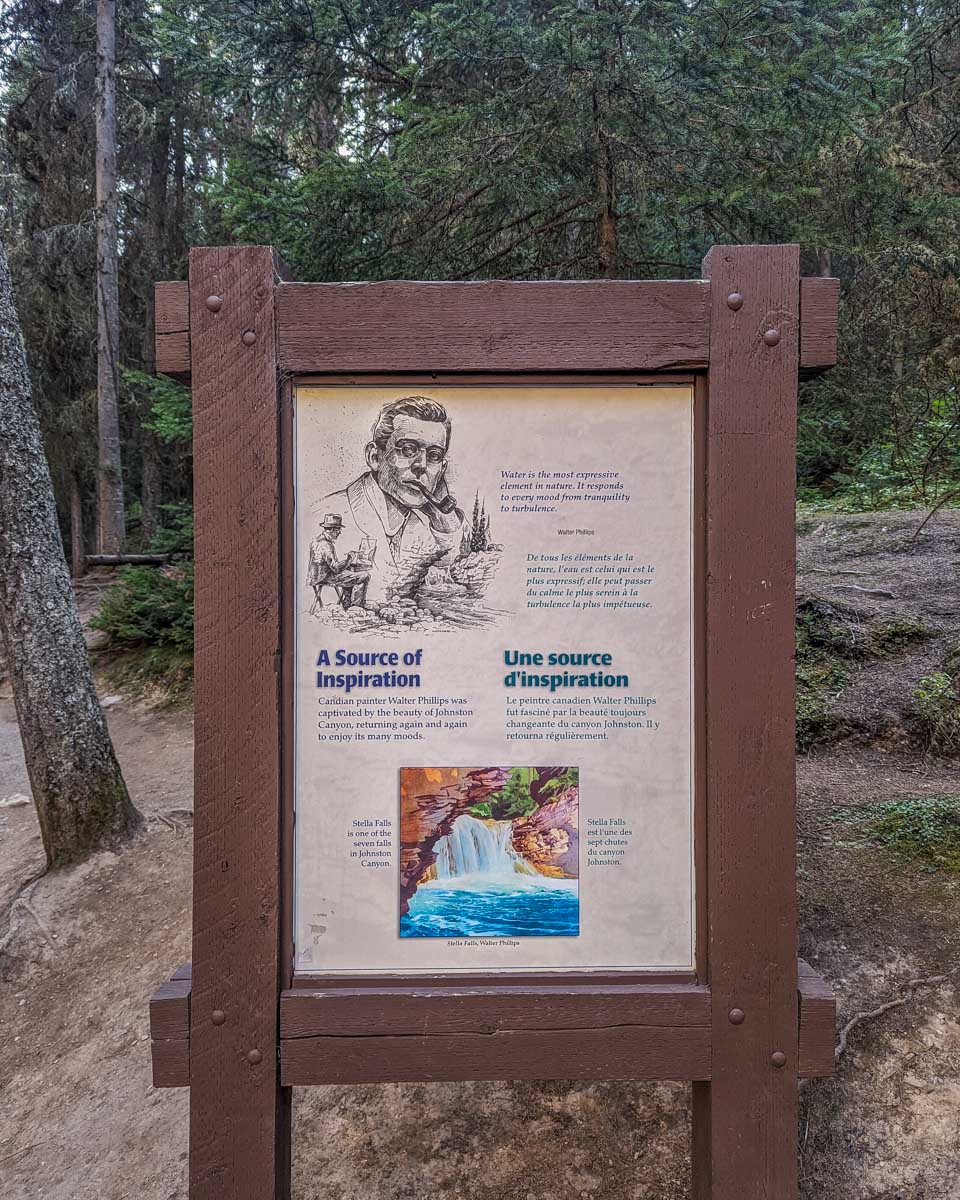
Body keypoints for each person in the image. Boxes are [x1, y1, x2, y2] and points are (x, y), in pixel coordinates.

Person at [321, 396, 466, 607]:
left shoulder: (425, 526)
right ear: (375, 457)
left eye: (434, 455)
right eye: (408, 449)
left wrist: (440, 511)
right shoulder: (328, 511)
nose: (421, 465)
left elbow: (449, 563)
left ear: (442, 468)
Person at [306, 513, 371, 611]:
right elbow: (336, 568)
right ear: (332, 530)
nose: (339, 533)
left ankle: (347, 604)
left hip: (316, 576)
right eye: (338, 530)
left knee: (350, 572)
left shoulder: (316, 540)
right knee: (364, 575)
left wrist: (346, 563)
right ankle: (356, 608)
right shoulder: (325, 544)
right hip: (324, 577)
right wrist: (349, 559)